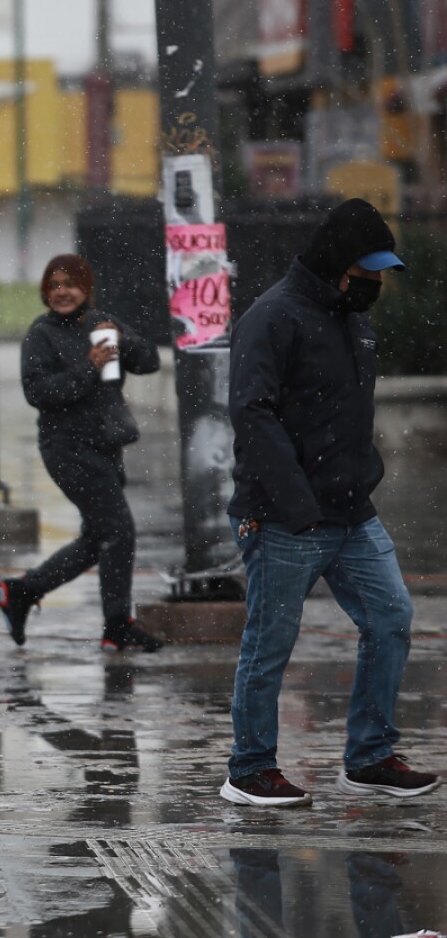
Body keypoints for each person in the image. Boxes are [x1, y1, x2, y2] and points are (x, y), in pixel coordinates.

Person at [219, 198, 439, 807]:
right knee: (270, 643)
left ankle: (370, 758)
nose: (375, 283)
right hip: (284, 516)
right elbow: (252, 413)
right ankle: (249, 770)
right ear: (337, 262)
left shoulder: (353, 321)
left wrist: (362, 476)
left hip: (351, 512)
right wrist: (296, 501)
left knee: (391, 619)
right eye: (367, 270)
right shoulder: (272, 317)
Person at [0, 254, 163, 653]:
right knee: (118, 531)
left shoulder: (102, 323)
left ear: (86, 289)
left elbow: (151, 362)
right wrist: (89, 367)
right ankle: (117, 626)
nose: (62, 292)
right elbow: (39, 392)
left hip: (106, 445)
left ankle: (22, 591)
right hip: (67, 449)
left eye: (70, 284)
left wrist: (123, 341)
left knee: (99, 537)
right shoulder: (41, 334)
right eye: (54, 286)